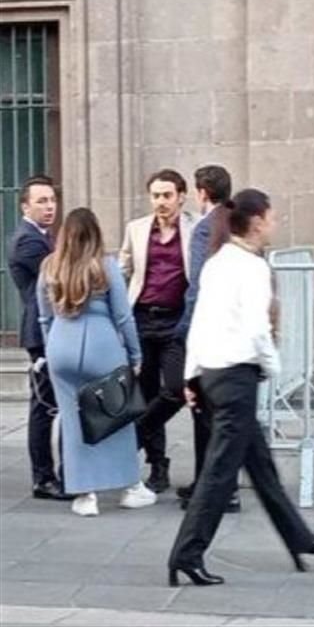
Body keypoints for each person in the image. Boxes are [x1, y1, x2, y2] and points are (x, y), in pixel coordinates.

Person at [167, 189, 314, 586]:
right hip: (236, 376)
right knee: (220, 472)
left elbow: (199, 322)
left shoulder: (218, 262)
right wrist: (274, 365)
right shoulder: (251, 267)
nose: (275, 223)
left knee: (260, 465)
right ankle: (187, 554)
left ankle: (299, 538)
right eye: (273, 216)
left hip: (213, 373)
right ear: (257, 220)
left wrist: (193, 376)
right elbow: (258, 328)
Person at [37, 208, 156, 516]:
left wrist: (51, 348)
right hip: (101, 344)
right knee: (116, 414)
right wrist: (135, 354)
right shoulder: (106, 266)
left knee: (72, 421)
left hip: (61, 345)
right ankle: (130, 486)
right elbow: (123, 316)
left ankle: (84, 494)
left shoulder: (49, 267)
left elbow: (44, 317)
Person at [119, 169, 196, 493]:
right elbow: (122, 269)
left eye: (167, 195)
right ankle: (158, 465)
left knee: (175, 388)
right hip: (142, 319)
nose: (160, 202)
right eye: (155, 196)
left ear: (181, 195)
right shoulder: (136, 229)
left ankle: (137, 432)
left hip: (176, 321)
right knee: (147, 393)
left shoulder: (195, 229)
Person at [172, 165, 240, 513]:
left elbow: (197, 287)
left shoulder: (204, 229)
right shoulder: (238, 222)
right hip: (235, 334)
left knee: (204, 412)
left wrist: (184, 331)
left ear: (201, 193)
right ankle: (211, 484)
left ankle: (217, 490)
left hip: (209, 333)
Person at [6, 176, 71, 501]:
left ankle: (53, 474)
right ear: (25, 205)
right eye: (42, 201)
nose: (49, 207)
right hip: (41, 333)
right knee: (44, 407)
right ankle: (44, 478)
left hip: (50, 330)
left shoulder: (44, 237)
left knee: (49, 406)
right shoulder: (29, 242)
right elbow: (58, 277)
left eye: (52, 201)